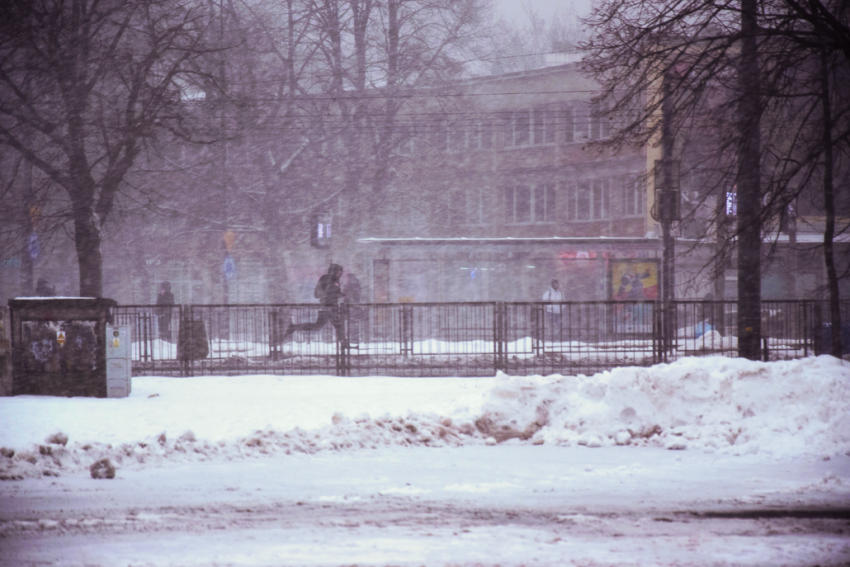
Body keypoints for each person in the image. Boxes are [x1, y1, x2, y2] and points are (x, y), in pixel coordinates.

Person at [283, 264, 347, 345]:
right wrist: (337, 294)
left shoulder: (333, 280)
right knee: (337, 326)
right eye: (339, 272)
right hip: (328, 307)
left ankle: (294, 327)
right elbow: (321, 293)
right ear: (334, 271)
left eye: (341, 272)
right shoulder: (328, 279)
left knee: (319, 326)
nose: (340, 274)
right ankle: (344, 343)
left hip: (329, 307)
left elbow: (328, 292)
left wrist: (340, 294)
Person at [343, 272, 363, 343]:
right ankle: (354, 338)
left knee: (351, 323)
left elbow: (345, 295)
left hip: (351, 307)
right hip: (353, 307)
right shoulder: (356, 285)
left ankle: (352, 338)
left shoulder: (350, 286)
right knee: (354, 323)